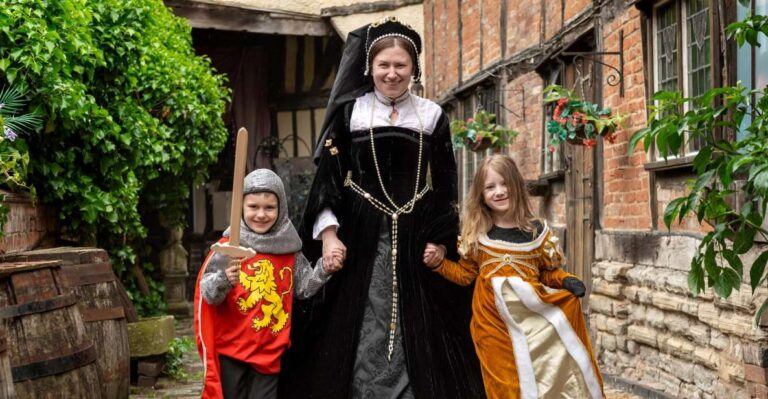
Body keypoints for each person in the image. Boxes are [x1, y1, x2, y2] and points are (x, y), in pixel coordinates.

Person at [281, 16, 484, 399]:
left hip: (416, 230)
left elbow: (444, 186)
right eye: (383, 65)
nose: (392, 74)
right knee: (354, 315)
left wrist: (441, 243)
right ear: (370, 68)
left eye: (400, 65)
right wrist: (328, 236)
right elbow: (328, 180)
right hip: (358, 231)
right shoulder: (350, 114)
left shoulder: (432, 116)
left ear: (414, 69)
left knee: (422, 320)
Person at [422, 154, 605, 399]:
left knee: (540, 382)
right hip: (492, 326)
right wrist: (440, 264)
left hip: (532, 322)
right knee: (504, 387)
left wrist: (564, 280)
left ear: (516, 185)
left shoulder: (536, 232)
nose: (499, 192)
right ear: (481, 195)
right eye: (490, 187)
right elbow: (466, 275)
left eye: (504, 183)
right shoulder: (477, 234)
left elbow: (546, 273)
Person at [194, 169, 339, 399]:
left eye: (269, 208)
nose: (261, 214)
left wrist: (324, 268)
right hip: (232, 350)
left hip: (270, 352)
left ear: (281, 209)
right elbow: (208, 294)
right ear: (241, 208)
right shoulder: (228, 247)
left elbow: (303, 289)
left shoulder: (289, 250)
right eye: (253, 207)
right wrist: (224, 279)